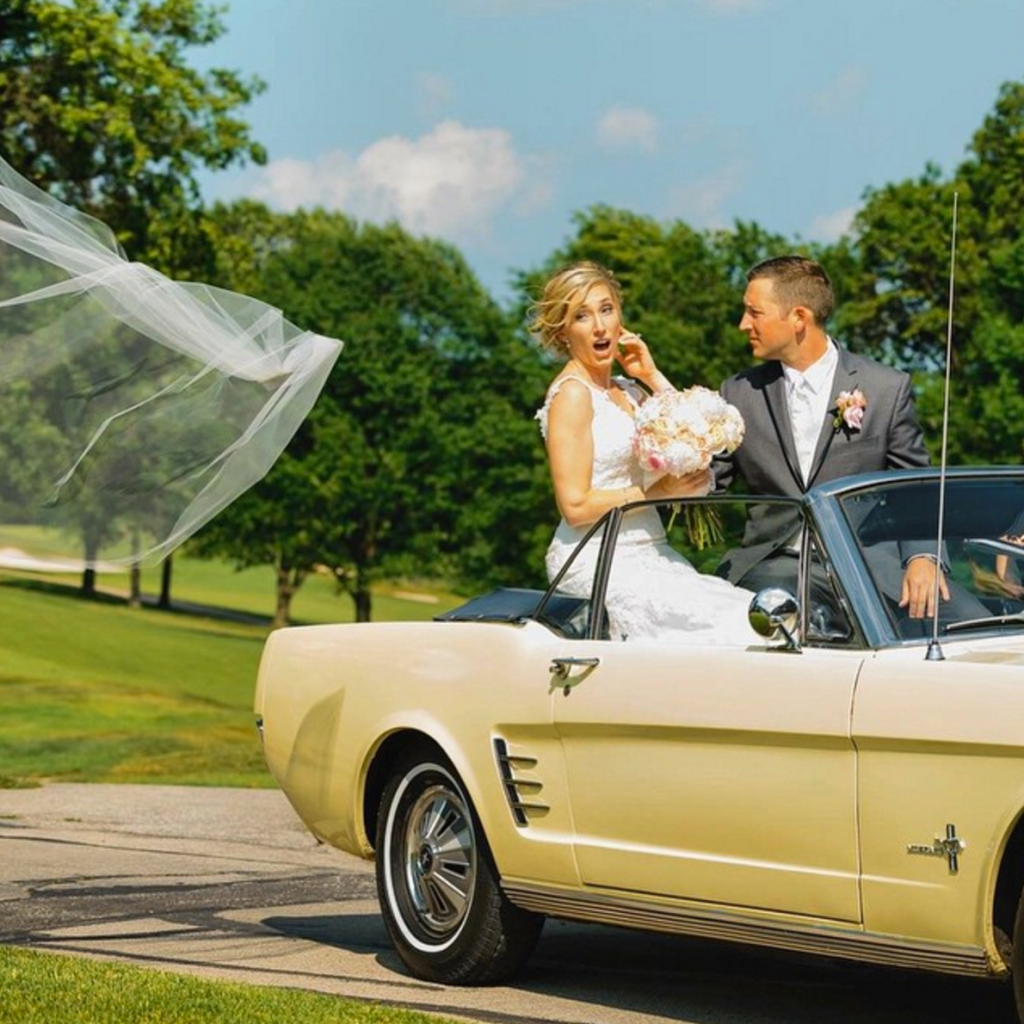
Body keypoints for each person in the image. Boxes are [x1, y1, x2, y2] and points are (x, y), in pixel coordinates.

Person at [532, 261, 758, 645]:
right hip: (598, 558)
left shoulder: (630, 391)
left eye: (606, 309)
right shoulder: (572, 395)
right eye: (582, 317)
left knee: (750, 613)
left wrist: (650, 375)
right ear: (563, 331)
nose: (600, 326)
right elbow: (574, 506)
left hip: (653, 551)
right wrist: (656, 495)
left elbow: (696, 434)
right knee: (726, 624)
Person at [713, 254, 947, 621]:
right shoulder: (738, 393)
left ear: (799, 318)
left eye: (753, 313)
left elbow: (915, 486)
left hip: (872, 570)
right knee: (788, 621)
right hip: (775, 566)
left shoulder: (886, 388)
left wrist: (922, 557)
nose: (743, 324)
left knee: (973, 623)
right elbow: (707, 482)